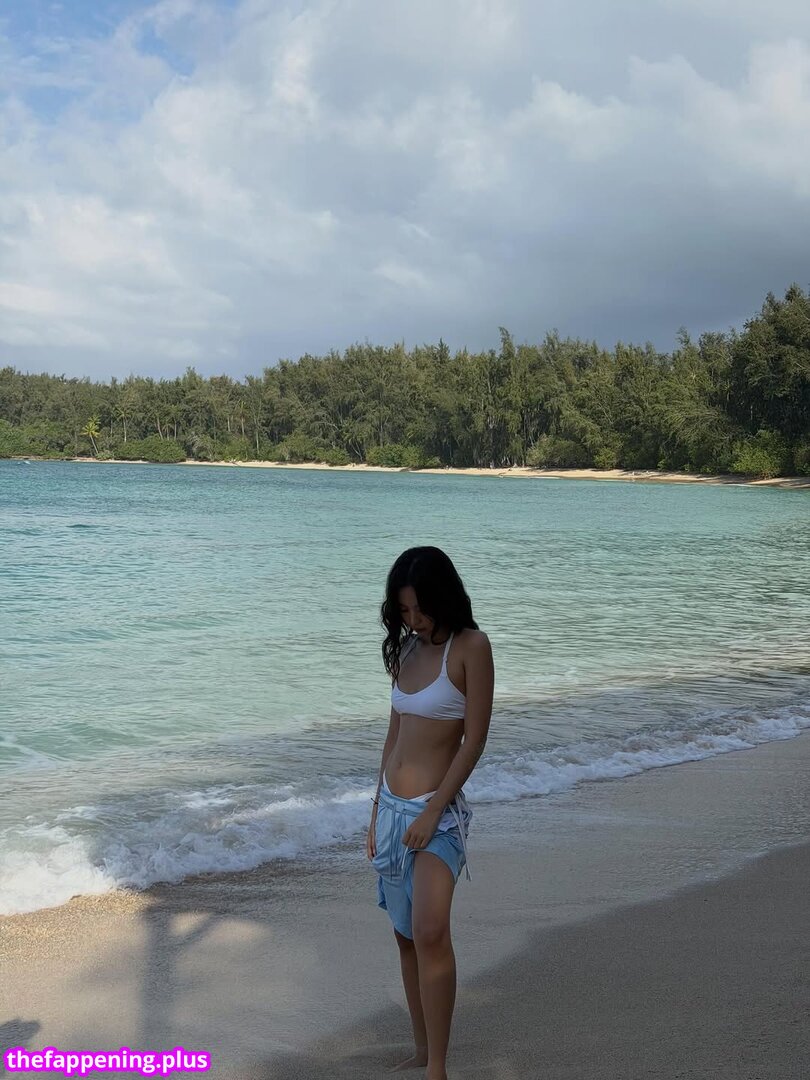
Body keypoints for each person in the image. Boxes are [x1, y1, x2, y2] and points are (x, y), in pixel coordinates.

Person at [367, 546, 494, 1079]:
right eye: (403, 610)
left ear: (443, 597)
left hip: (436, 816)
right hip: (392, 811)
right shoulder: (406, 650)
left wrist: (432, 810)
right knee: (405, 934)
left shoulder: (471, 648)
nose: (413, 619)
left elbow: (473, 742)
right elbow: (393, 735)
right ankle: (421, 1049)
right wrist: (376, 810)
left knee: (431, 931)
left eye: (420, 608)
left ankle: (437, 1069)